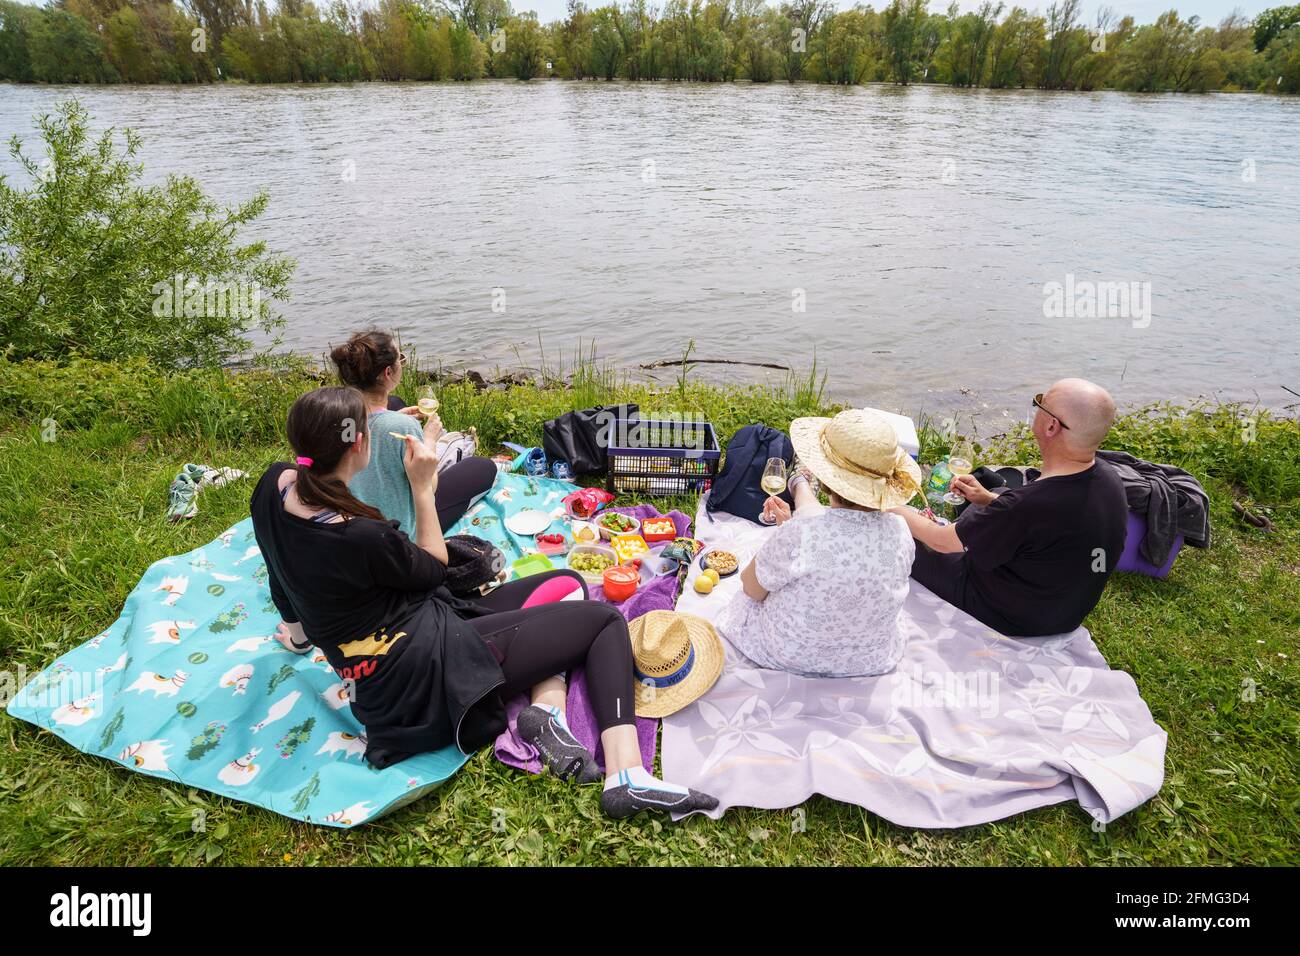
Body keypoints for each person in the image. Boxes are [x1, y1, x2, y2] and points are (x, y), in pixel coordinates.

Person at [250, 387, 716, 819]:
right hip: (427, 674)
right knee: (603, 620)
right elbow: (433, 565)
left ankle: (546, 717)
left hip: (404, 643)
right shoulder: (361, 536)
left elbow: (278, 572)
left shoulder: (275, 488)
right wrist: (422, 487)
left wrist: (297, 635)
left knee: (567, 581)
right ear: (358, 446)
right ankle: (626, 776)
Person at [891, 378, 1127, 637]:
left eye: (1040, 403)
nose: (1036, 408)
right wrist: (987, 499)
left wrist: (894, 508)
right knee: (1000, 493)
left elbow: (941, 541)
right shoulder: (1108, 479)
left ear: (1051, 425)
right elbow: (1048, 524)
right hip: (1064, 610)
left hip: (1011, 614)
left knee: (907, 539)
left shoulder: (1028, 504)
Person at [716, 409, 921, 678]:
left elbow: (752, 589)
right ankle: (798, 483)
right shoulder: (900, 530)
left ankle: (799, 482)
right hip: (869, 658)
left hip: (789, 653)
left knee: (747, 601)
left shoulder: (802, 531)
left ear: (826, 480)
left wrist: (786, 534)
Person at [330, 329, 496, 534]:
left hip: (355, 516)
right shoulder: (402, 427)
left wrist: (392, 418)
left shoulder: (335, 417)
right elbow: (428, 486)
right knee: (483, 467)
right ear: (388, 373)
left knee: (394, 402)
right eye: (400, 359)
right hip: (400, 527)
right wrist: (430, 440)